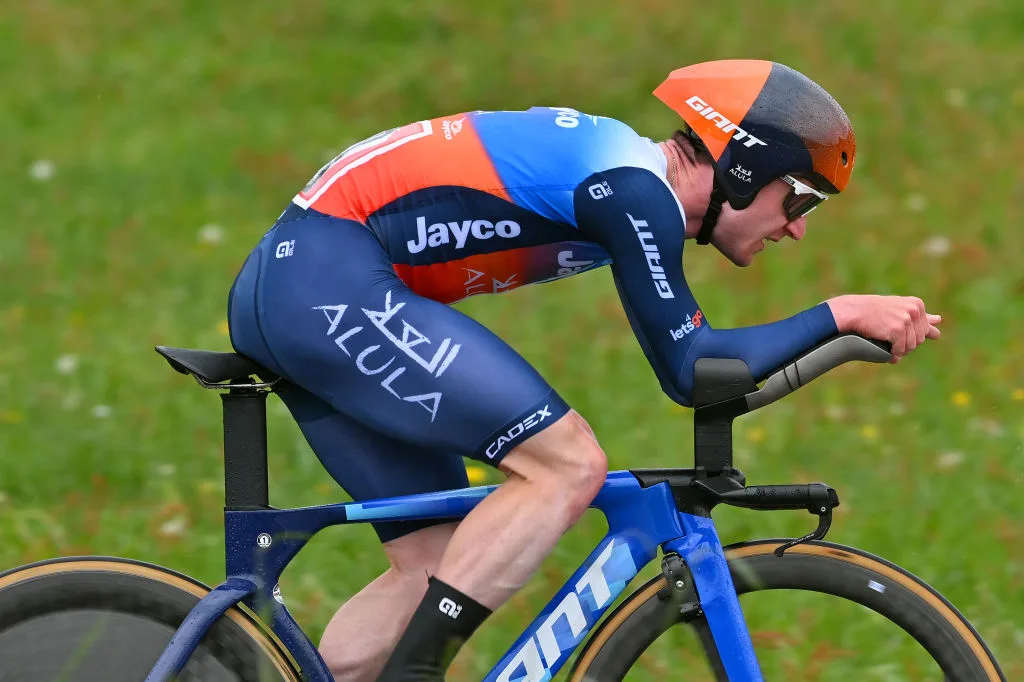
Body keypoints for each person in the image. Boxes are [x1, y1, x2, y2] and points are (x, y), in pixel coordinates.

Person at [226, 59, 941, 681]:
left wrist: (834, 339)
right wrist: (837, 315)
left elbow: (706, 371)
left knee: (435, 566)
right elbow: (690, 370)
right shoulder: (632, 190)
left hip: (312, 279)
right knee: (567, 464)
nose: (798, 226)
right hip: (324, 280)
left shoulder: (628, 179)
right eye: (801, 197)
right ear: (745, 167)